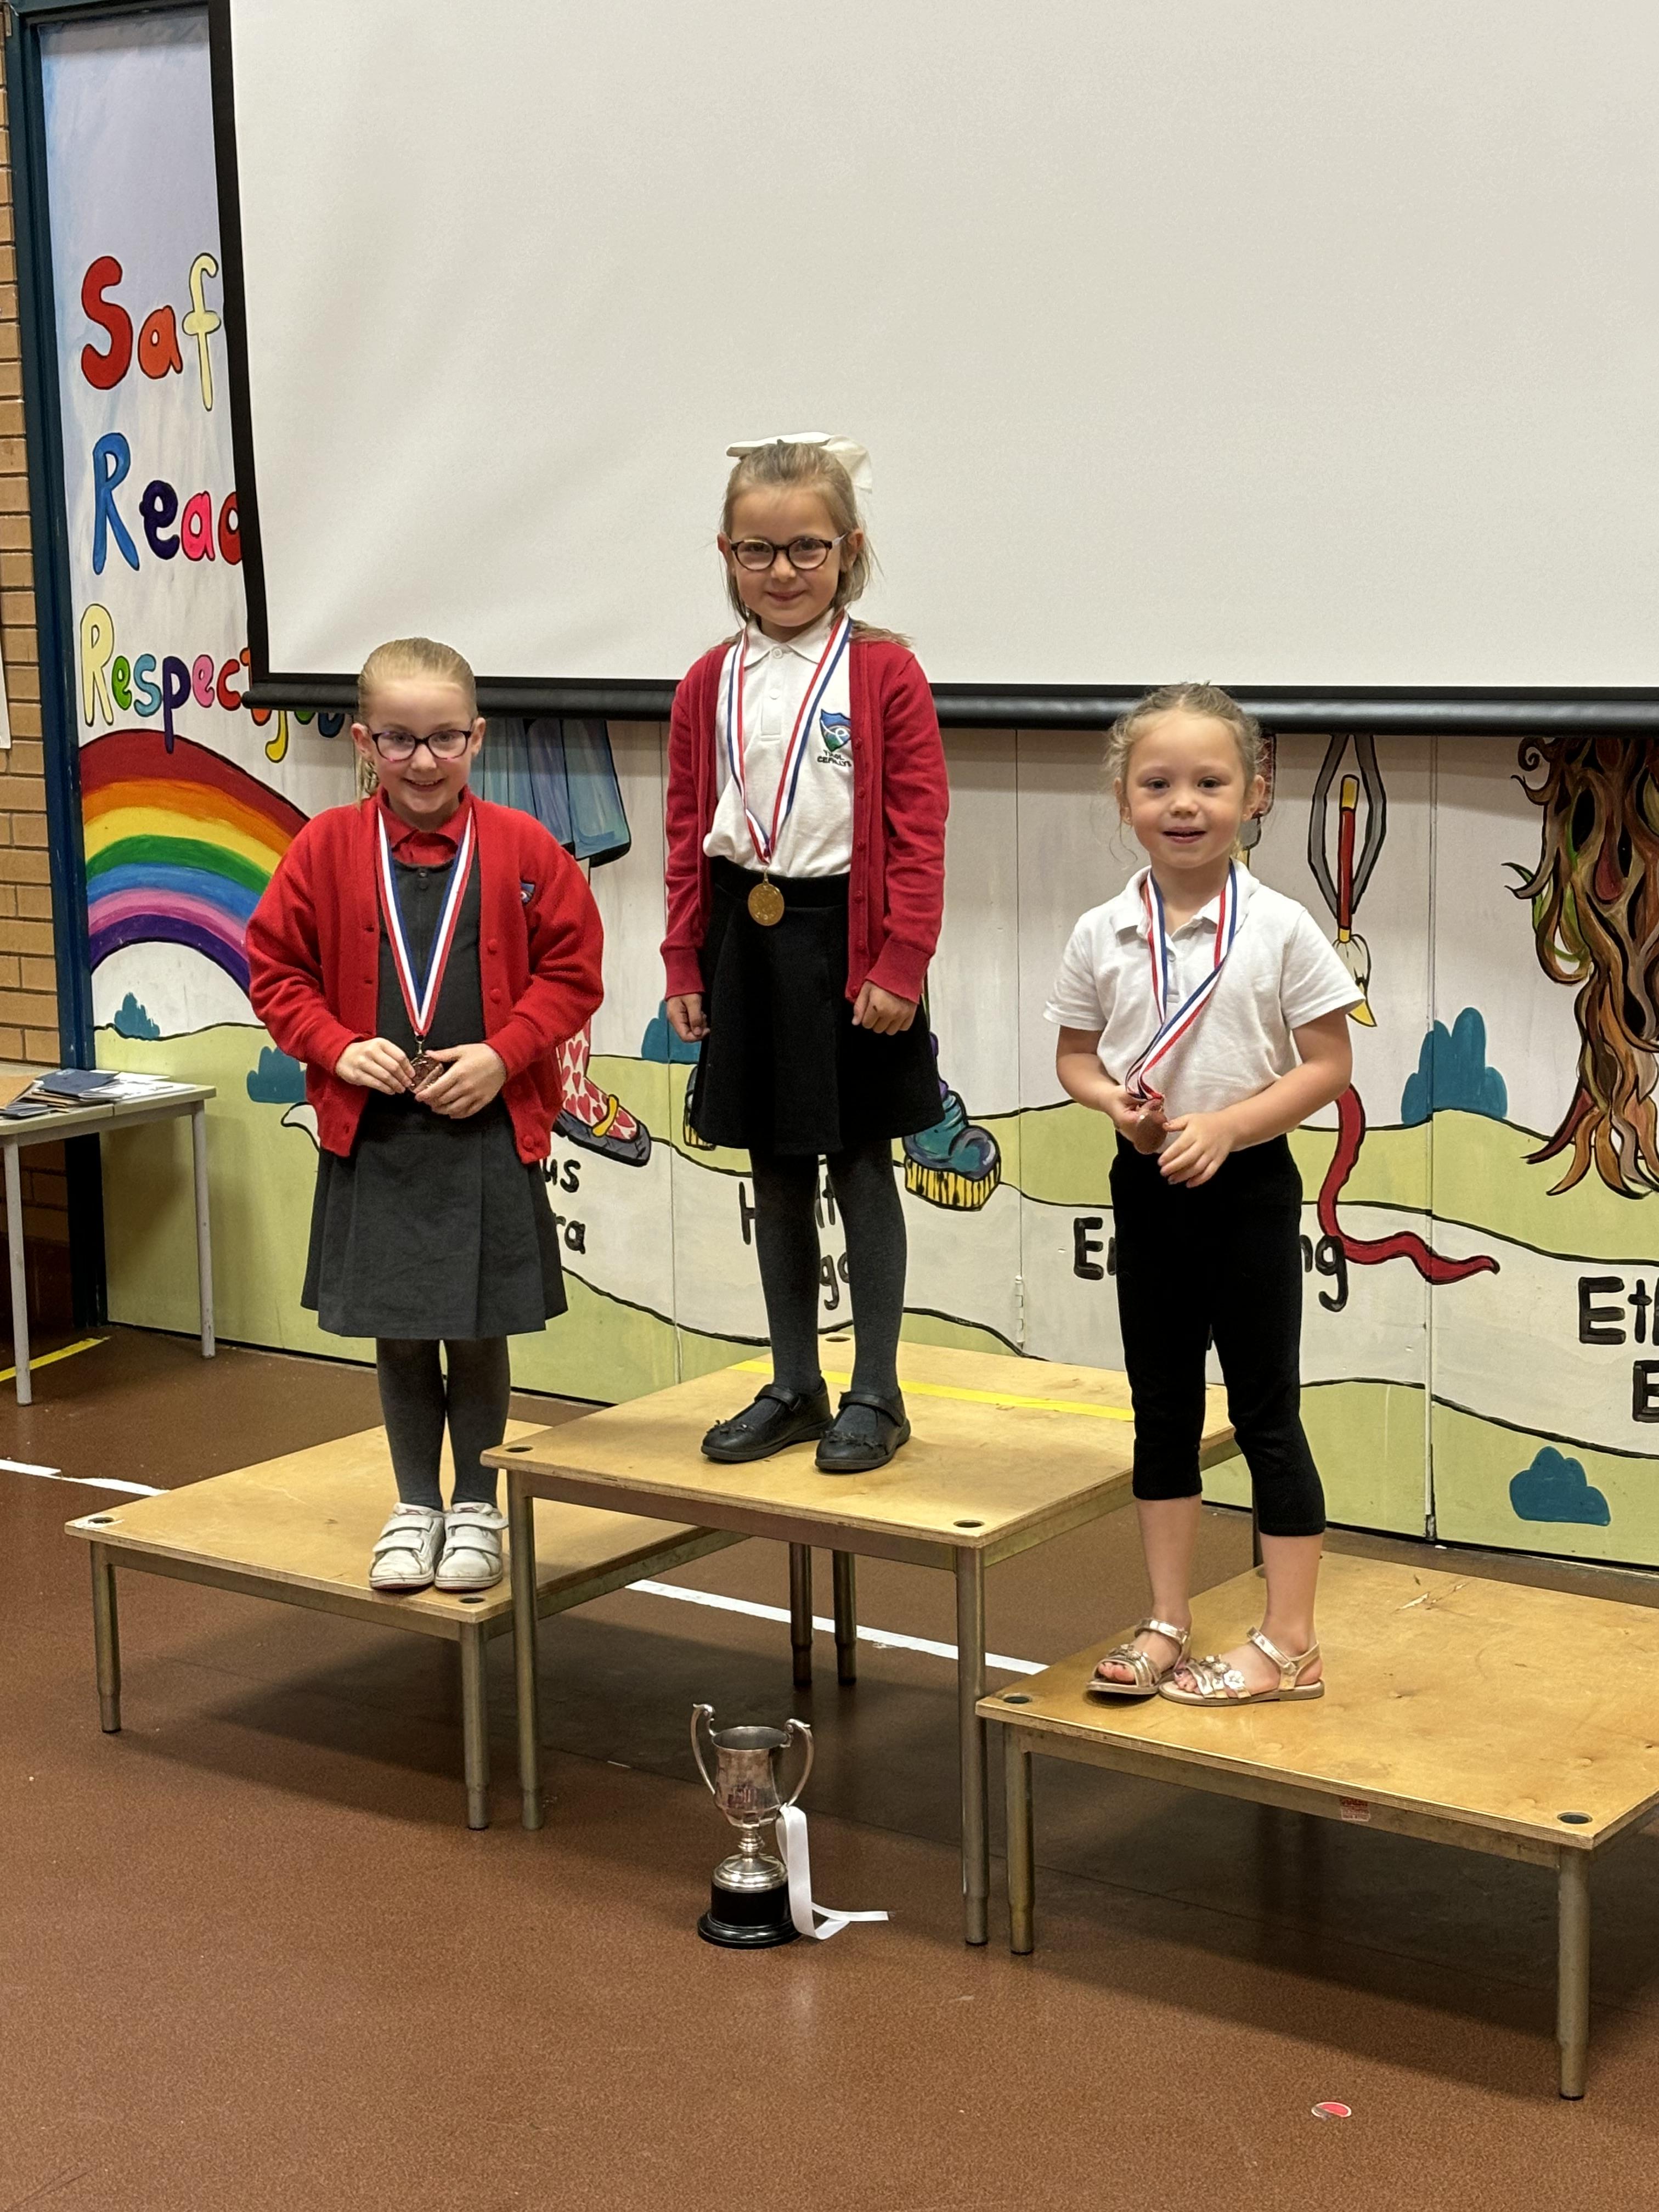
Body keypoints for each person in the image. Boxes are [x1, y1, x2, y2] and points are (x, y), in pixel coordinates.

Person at [247, 636, 603, 1593]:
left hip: (484, 1131)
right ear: (364, 742)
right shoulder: (325, 848)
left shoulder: (525, 848)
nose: (422, 760)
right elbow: (275, 971)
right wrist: (333, 1045)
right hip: (378, 1138)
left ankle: (478, 1504)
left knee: (479, 1328)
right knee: (400, 1329)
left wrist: (504, 1053)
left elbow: (575, 973)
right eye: (399, 739)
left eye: (445, 737)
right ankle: (415, 1505)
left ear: (476, 738)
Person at [1046, 684, 1357, 1704]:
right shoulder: (1104, 930)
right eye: (1158, 784)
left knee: (1267, 1413)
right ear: (1124, 800)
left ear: (1254, 794)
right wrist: (1116, 1106)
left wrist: (1230, 1127)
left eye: (1211, 783)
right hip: (1148, 1184)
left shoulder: (1280, 927)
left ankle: (1292, 1642)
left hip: (1249, 1186)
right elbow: (1076, 1058)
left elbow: (1330, 1066)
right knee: (1162, 1410)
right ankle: (1167, 1620)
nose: (1184, 804)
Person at [663, 435, 947, 1472]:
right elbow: (687, 829)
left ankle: (876, 1392)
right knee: (774, 1166)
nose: (782, 571)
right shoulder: (708, 681)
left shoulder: (885, 672)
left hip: (853, 944)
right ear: (727, 554)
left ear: (849, 549)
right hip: (748, 934)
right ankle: (794, 1382)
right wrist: (685, 961)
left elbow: (918, 830)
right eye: (758, 550)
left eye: (807, 549)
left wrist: (901, 963)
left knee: (861, 1161)